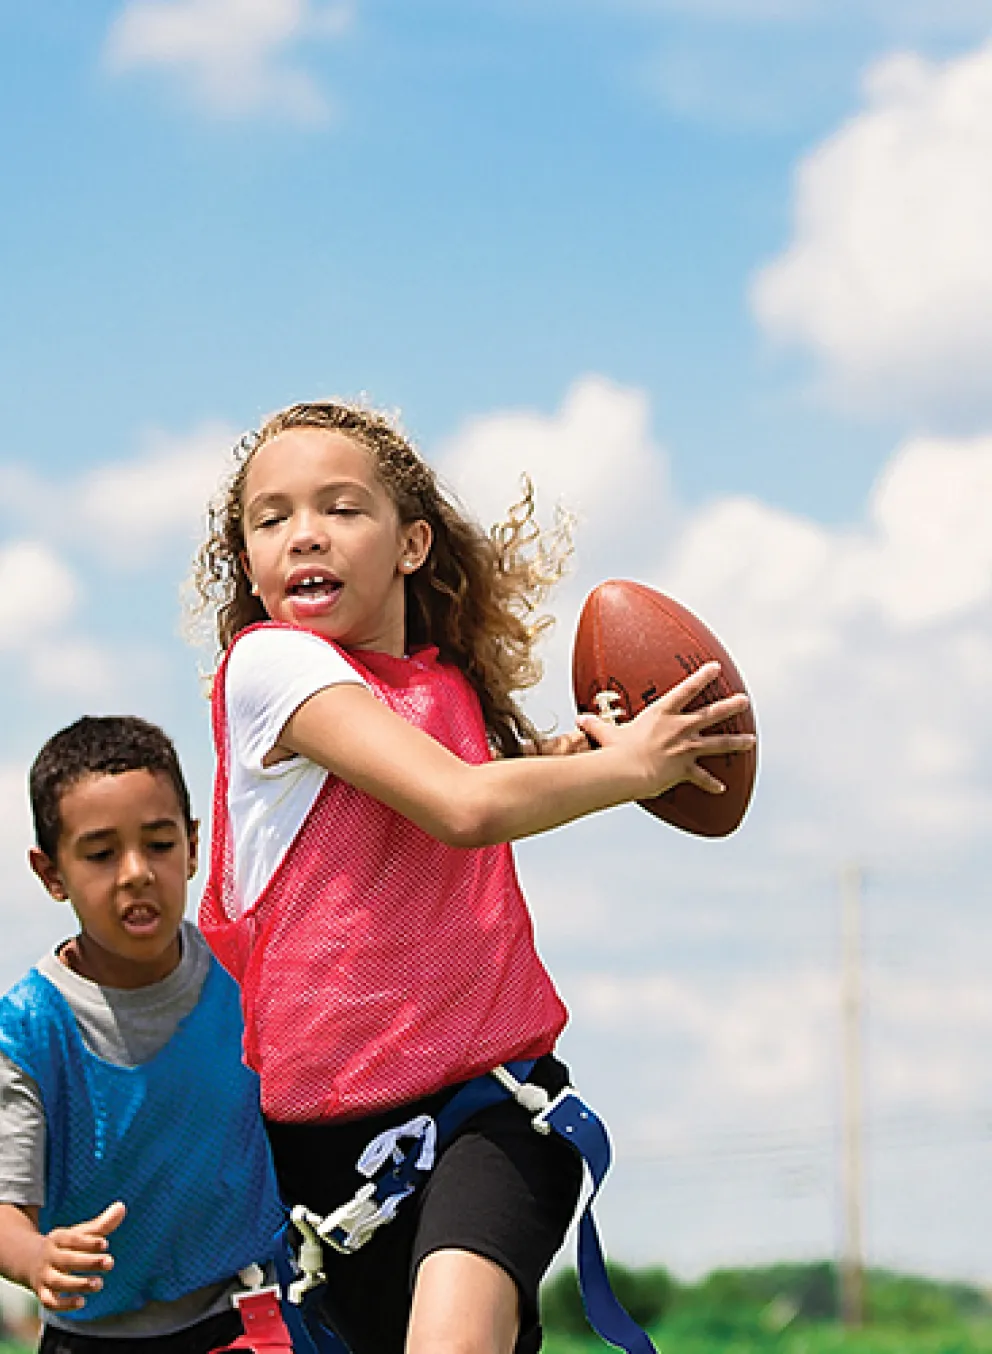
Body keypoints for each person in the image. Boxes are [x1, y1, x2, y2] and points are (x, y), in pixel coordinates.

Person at [191, 401, 756, 1354]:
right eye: (271, 518)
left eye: (340, 508)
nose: (305, 534)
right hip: (319, 1163)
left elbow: (478, 793)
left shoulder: (445, 689)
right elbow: (461, 804)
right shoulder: (267, 667)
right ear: (247, 561)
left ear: (413, 543)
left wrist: (585, 756)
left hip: (489, 1109)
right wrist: (632, 766)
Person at [0, 716, 286, 1354]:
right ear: (51, 874)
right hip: (91, 1337)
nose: (135, 872)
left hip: (249, 1316)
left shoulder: (249, 971)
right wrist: (38, 1258)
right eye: (100, 855)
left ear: (191, 846)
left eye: (158, 844)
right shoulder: (27, 1029)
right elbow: (6, 1210)